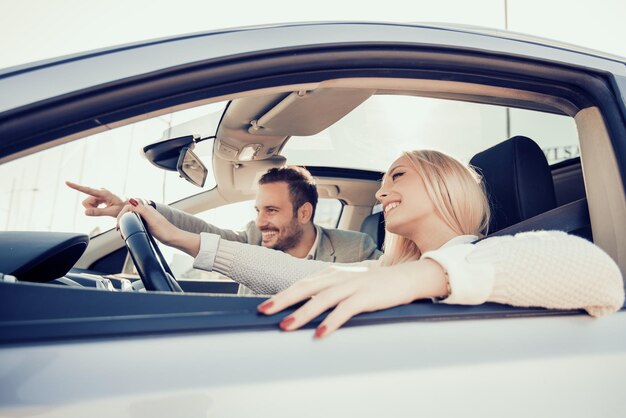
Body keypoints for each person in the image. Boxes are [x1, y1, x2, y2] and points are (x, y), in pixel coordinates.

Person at [119, 150, 625, 338]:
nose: (381, 193)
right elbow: (297, 278)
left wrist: (424, 275)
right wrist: (180, 237)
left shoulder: (484, 255)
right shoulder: (389, 269)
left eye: (397, 176)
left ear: (446, 183)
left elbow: (600, 277)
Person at [68, 166, 382, 293]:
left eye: (271, 210)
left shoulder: (356, 250)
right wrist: (140, 208)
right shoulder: (252, 239)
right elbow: (203, 230)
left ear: (304, 212)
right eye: (258, 210)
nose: (261, 222)